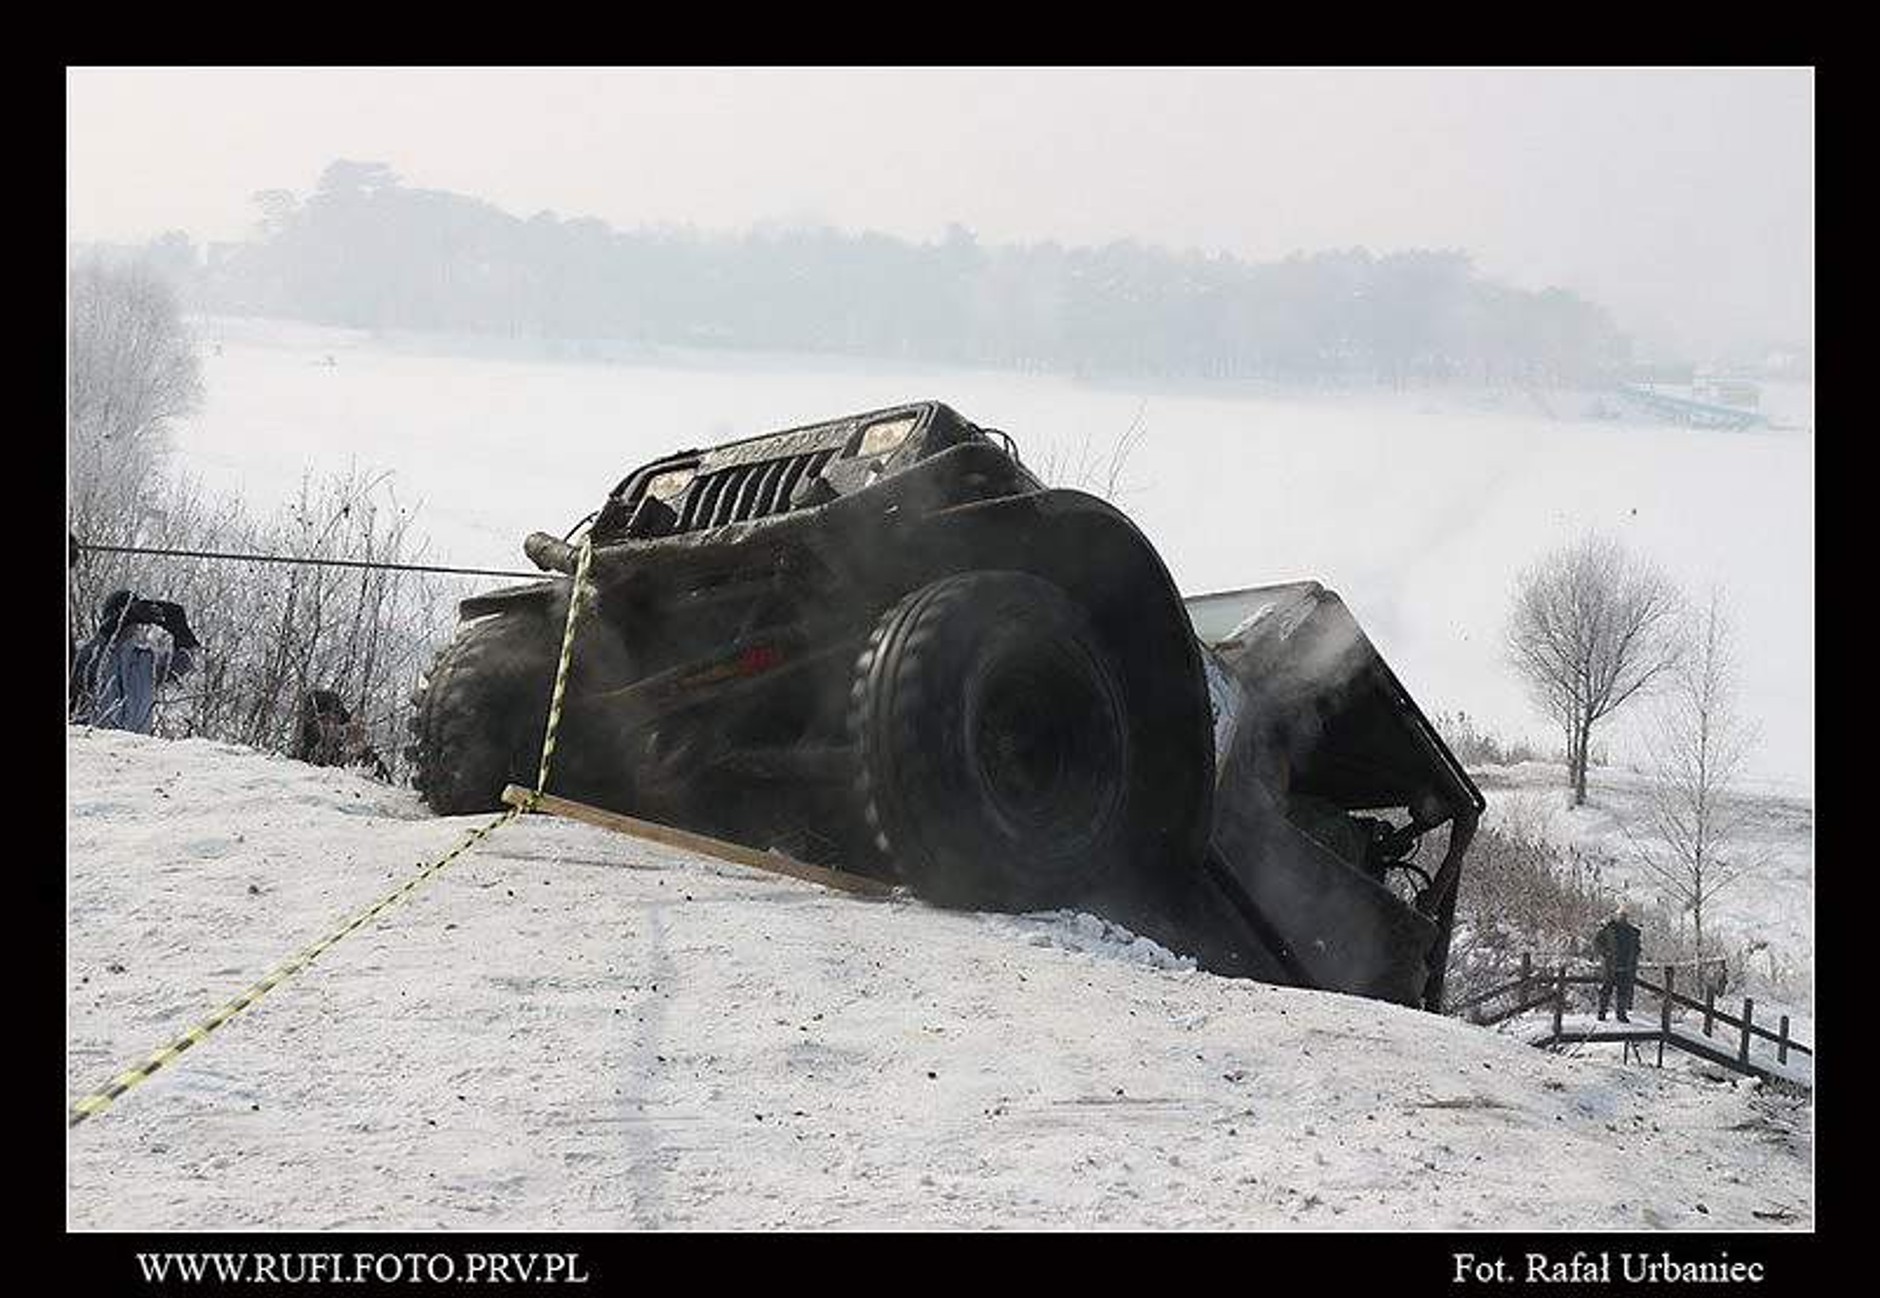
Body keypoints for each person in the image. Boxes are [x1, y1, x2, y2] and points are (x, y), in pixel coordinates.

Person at [69, 589, 201, 734]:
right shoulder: (86, 652)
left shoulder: (146, 659)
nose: (129, 624)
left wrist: (182, 634)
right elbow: (77, 670)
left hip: (136, 748)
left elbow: (183, 665)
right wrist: (118, 622)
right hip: (95, 745)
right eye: (122, 614)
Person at [293, 689, 390, 780]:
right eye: (326, 720)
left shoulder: (343, 744)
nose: (330, 725)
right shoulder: (311, 741)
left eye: (333, 720)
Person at [1593, 903, 1643, 1022]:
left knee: (1623, 992)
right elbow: (1597, 943)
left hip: (1625, 967)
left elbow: (1637, 948)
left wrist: (1634, 956)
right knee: (1606, 991)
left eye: (1624, 915)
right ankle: (1601, 1014)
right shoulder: (1609, 929)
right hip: (1610, 966)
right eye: (1620, 915)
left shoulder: (1632, 932)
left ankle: (1621, 1015)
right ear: (1616, 916)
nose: (1623, 917)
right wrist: (1605, 953)